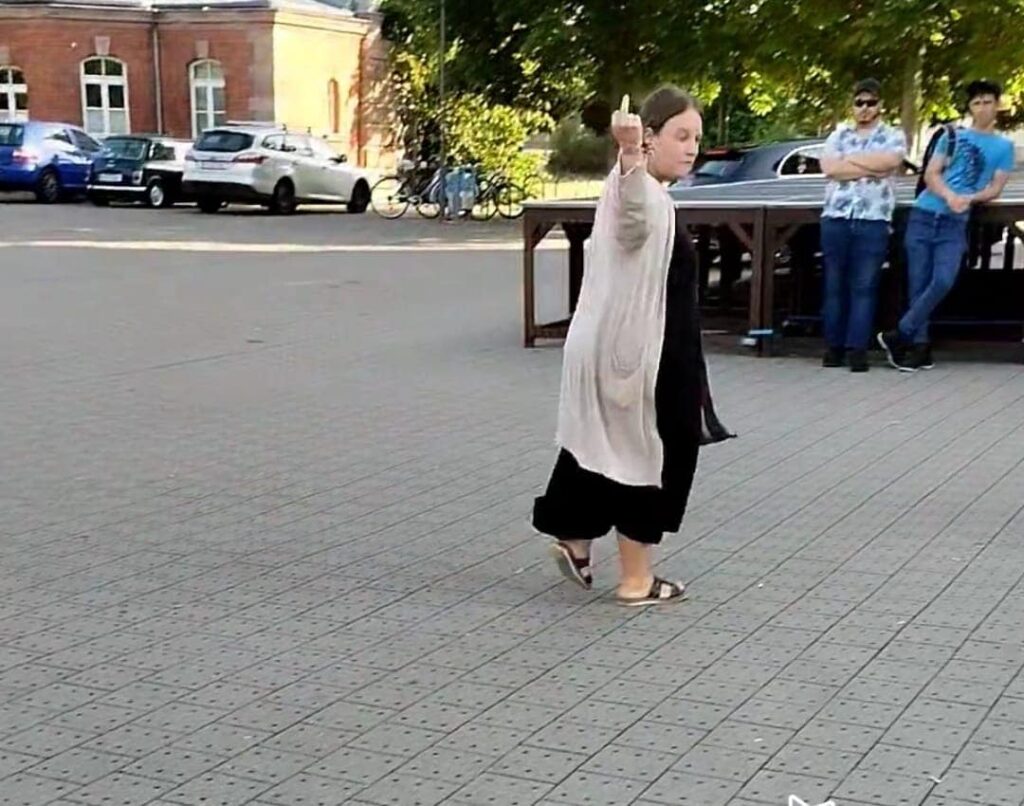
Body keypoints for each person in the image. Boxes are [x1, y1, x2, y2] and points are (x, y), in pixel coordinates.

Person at [532, 86, 733, 607]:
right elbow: (633, 208)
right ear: (649, 138)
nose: (691, 148)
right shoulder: (636, 190)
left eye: (697, 138)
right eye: (681, 136)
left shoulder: (642, 192)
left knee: (605, 445)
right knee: (658, 451)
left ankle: (575, 537)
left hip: (614, 350)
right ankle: (637, 579)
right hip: (641, 357)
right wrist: (627, 156)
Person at [878, 79, 1015, 371]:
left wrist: (969, 199)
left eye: (988, 102)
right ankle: (919, 347)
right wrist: (949, 195)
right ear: (970, 107)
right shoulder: (951, 135)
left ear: (998, 105)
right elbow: (932, 173)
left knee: (943, 279)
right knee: (919, 283)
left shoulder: (1004, 146)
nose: (982, 108)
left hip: (955, 221)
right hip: (926, 213)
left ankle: (900, 333)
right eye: (976, 102)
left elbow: (996, 187)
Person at [818, 78, 908, 373]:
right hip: (837, 218)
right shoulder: (838, 134)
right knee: (834, 285)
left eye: (871, 103)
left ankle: (858, 350)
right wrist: (870, 165)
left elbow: (891, 162)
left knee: (864, 287)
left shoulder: (893, 135)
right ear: (852, 106)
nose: (865, 108)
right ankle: (833, 347)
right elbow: (830, 168)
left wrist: (851, 163)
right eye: (860, 103)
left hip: (873, 220)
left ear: (881, 105)